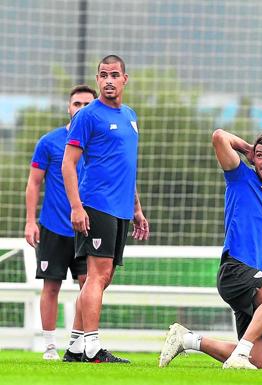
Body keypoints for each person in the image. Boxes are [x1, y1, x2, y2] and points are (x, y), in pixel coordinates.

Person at [158, 129, 262, 370]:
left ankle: (187, 339)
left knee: (259, 361)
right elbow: (218, 136)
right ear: (253, 158)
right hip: (235, 271)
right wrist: (248, 150)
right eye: (260, 156)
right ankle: (240, 354)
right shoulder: (240, 177)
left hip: (258, 285)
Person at [62, 55, 149, 363]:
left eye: (114, 74)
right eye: (103, 75)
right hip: (96, 203)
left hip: (121, 208)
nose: (109, 80)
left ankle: (75, 345)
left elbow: (125, 166)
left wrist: (137, 208)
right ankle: (92, 347)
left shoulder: (131, 115)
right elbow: (68, 164)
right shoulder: (88, 116)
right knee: (96, 276)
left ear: (125, 78)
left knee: (104, 275)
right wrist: (76, 206)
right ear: (97, 79)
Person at [25, 85, 96, 360]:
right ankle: (50, 346)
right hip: (53, 227)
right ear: (69, 108)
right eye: (76, 103)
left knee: (88, 284)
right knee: (51, 286)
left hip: (88, 227)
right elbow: (33, 183)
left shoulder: (99, 145)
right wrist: (30, 221)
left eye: (87, 104)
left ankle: (79, 345)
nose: (81, 108)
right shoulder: (49, 141)